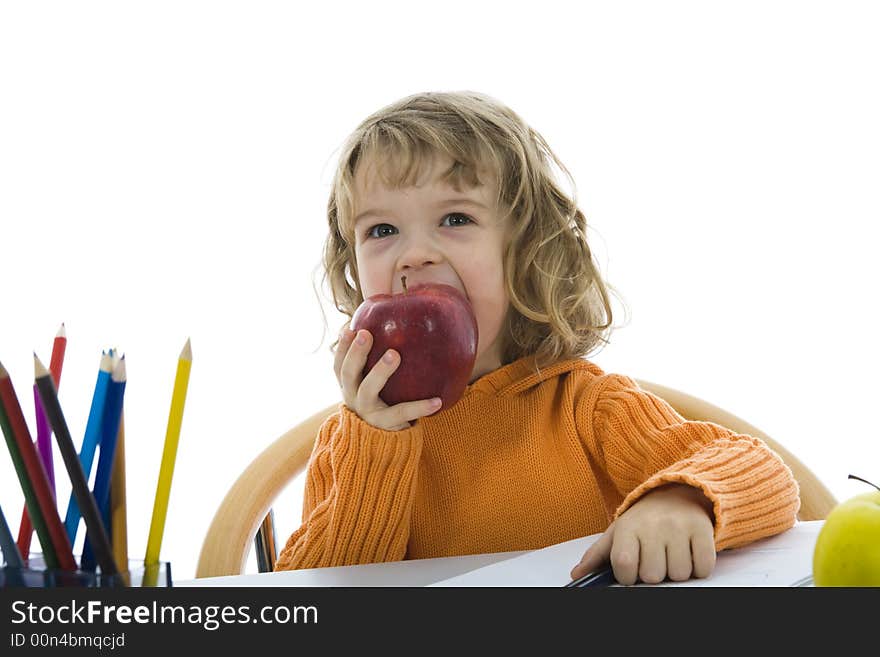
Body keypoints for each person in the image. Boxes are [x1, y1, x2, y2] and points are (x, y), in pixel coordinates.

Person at [274, 91, 799, 585]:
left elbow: (763, 472)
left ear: (523, 251)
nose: (414, 255)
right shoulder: (348, 444)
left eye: (455, 218)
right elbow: (306, 595)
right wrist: (377, 448)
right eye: (381, 230)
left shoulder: (586, 407)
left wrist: (682, 499)